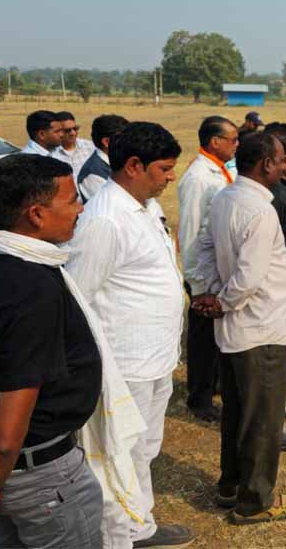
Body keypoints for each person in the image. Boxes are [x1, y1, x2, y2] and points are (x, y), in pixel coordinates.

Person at [0, 155, 118, 548]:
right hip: (41, 479)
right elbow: (7, 433)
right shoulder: (32, 290)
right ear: (36, 214)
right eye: (71, 200)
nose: (81, 208)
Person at [67, 123, 194, 549]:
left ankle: (140, 526)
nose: (170, 176)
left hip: (155, 358)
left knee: (144, 449)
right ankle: (116, 537)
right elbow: (77, 299)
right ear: (134, 166)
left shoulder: (142, 205)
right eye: (164, 168)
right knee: (116, 457)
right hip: (124, 364)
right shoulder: (105, 219)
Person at [189, 133, 286, 525]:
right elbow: (250, 276)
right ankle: (255, 501)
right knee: (263, 420)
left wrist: (206, 291)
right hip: (260, 330)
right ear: (265, 165)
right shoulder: (259, 210)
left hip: (239, 329)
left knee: (238, 412)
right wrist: (219, 301)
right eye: (281, 159)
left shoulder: (225, 198)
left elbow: (202, 248)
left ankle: (230, 485)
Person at [178, 116, 238, 423]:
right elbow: (189, 233)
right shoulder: (198, 177)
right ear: (215, 142)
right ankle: (199, 398)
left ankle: (212, 385)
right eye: (232, 140)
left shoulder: (221, 170)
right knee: (202, 339)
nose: (236, 145)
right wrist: (197, 282)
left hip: (216, 269)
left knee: (216, 335)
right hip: (202, 272)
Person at [78, 114, 129, 202]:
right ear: (107, 142)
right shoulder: (93, 174)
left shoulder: (121, 161)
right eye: (125, 139)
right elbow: (115, 206)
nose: (130, 143)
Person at [52, 111, 96, 180]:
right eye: (67, 130)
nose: (73, 133)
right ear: (58, 131)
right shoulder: (51, 153)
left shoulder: (90, 147)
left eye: (75, 128)